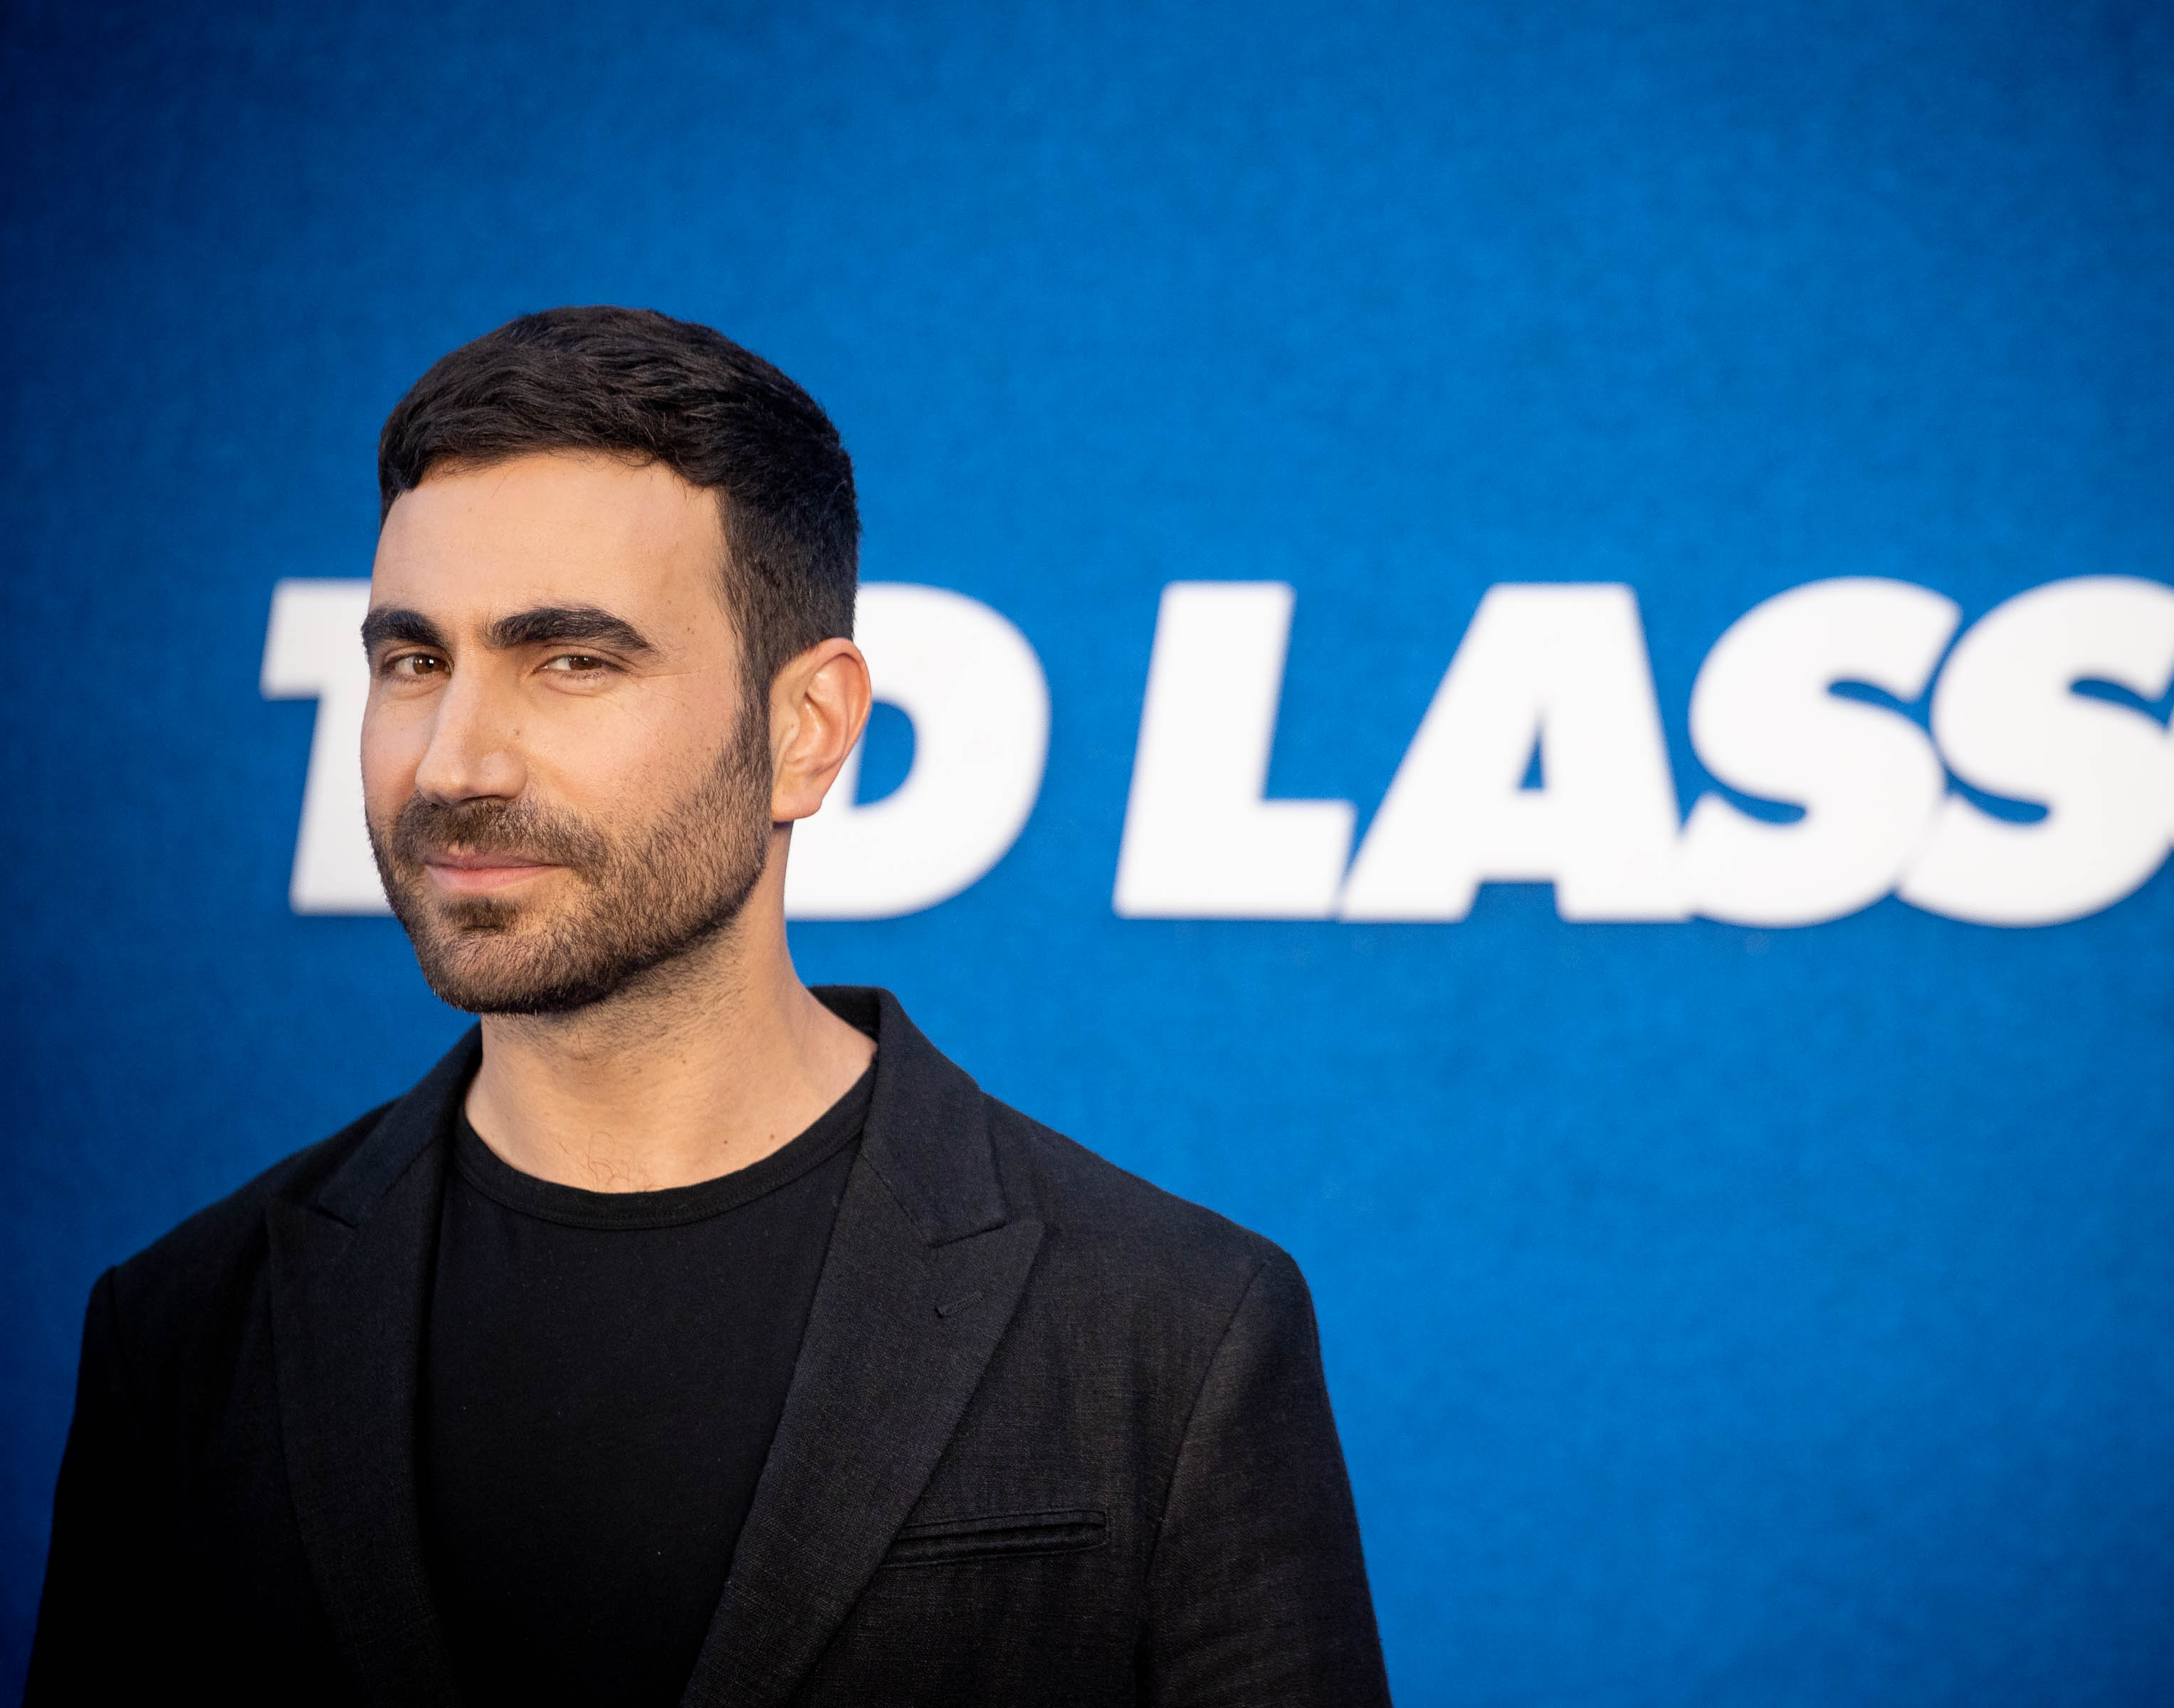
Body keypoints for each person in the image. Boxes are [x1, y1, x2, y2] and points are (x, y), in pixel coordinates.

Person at [27, 307, 1391, 1706]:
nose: (452, 762)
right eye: (413, 661)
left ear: (806, 732)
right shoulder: (183, 1332)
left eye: (572, 660)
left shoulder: (1169, 1332)